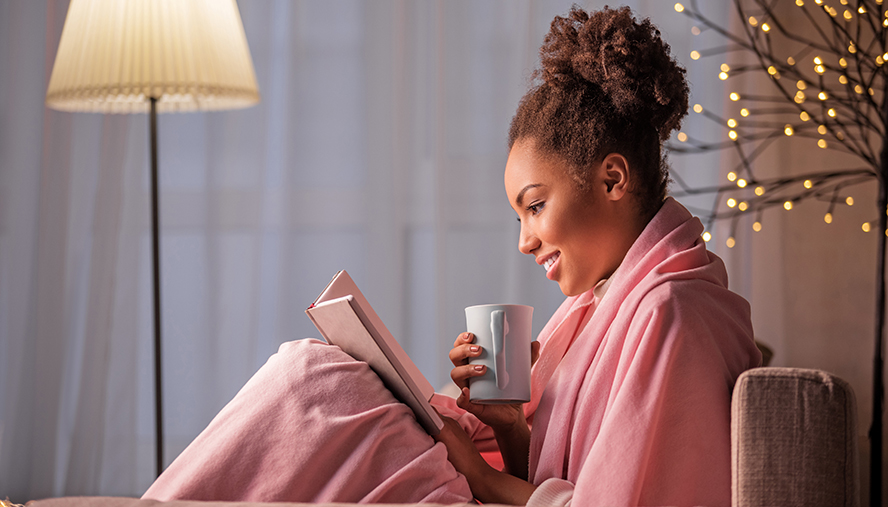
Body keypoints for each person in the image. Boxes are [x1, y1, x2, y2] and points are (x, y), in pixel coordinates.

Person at [143, 6, 760, 506]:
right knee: (314, 377)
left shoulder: (672, 312)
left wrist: (483, 477)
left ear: (613, 179)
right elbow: (557, 479)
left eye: (536, 206)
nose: (525, 240)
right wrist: (509, 426)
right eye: (519, 216)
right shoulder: (606, 307)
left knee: (313, 379)